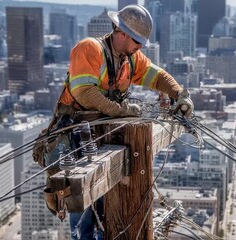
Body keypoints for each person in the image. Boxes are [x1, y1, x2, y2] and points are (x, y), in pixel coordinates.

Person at [49, 4, 193, 240]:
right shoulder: (90, 49)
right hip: (77, 136)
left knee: (108, 210)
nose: (139, 48)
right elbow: (83, 91)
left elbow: (158, 77)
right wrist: (121, 109)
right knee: (85, 215)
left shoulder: (130, 60)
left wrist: (180, 95)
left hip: (105, 135)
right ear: (123, 33)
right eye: (137, 42)